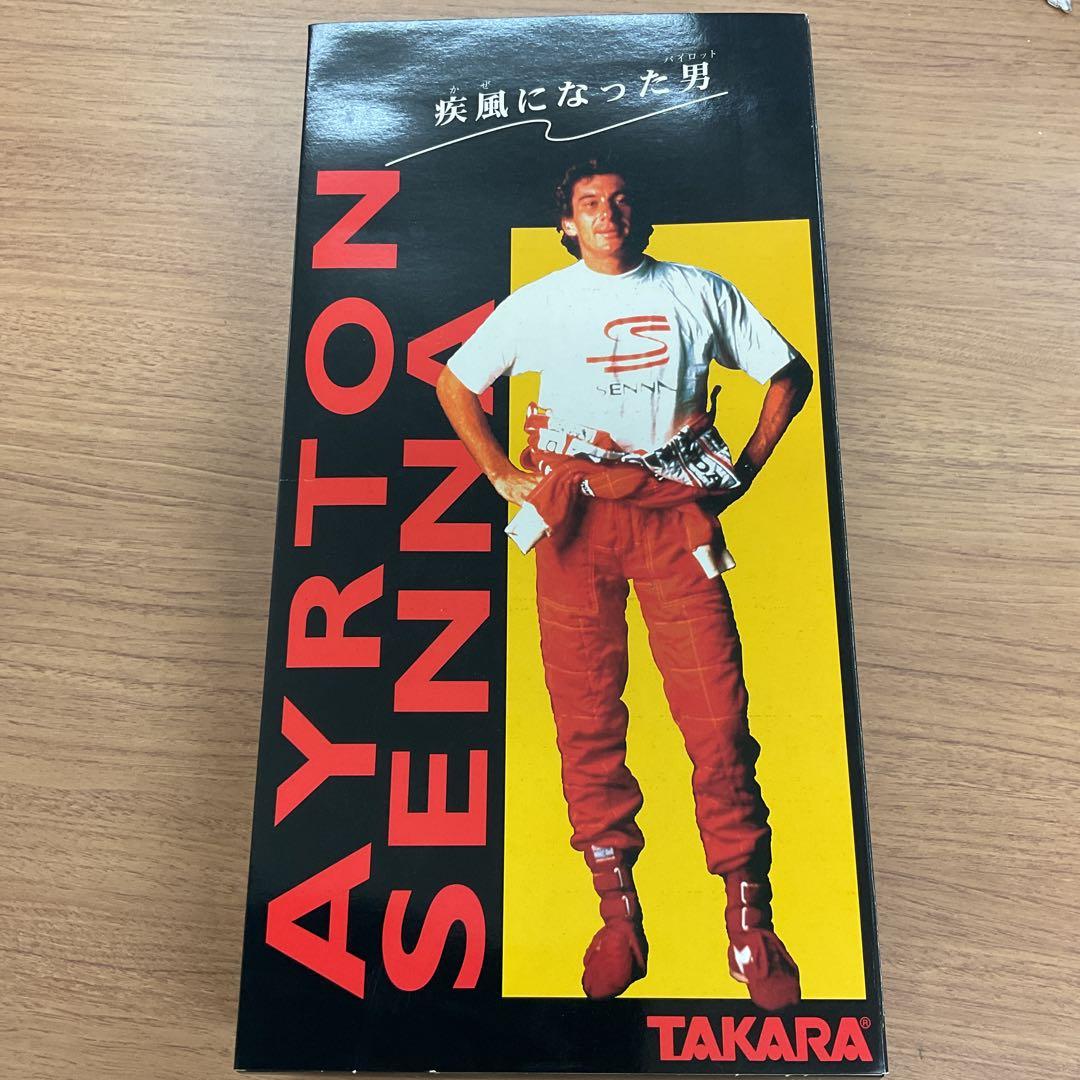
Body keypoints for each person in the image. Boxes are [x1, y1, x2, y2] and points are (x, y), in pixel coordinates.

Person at [436, 158, 813, 1010]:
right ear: (566, 223)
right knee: (585, 718)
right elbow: (455, 382)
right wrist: (500, 473)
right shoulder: (541, 301)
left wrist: (745, 471)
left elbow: (788, 372)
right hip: (573, 522)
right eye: (588, 204)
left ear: (639, 213)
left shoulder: (696, 290)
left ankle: (749, 919)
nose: (607, 214)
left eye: (618, 200)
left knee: (718, 718)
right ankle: (617, 916)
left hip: (671, 517)